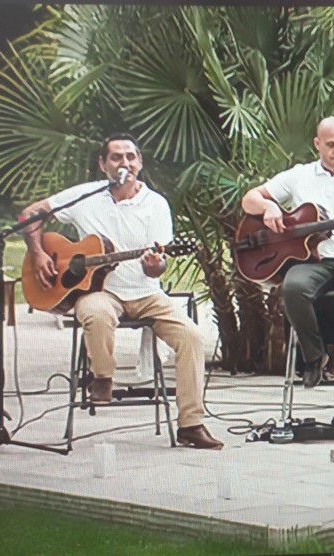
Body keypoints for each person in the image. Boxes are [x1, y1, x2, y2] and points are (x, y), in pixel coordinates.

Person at [20, 133, 223, 450]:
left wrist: (153, 264)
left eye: (130, 156)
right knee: (95, 313)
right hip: (103, 292)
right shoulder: (86, 195)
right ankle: (102, 378)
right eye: (116, 157)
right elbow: (31, 213)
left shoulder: (156, 204)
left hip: (147, 293)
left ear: (139, 163)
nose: (124, 162)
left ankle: (191, 424)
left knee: (192, 336)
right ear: (103, 164)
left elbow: (157, 268)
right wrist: (38, 253)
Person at [241, 117, 334, 388]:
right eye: (331, 145)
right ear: (317, 144)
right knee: (292, 288)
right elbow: (249, 198)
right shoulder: (299, 175)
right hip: (312, 260)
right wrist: (269, 207)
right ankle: (314, 358)